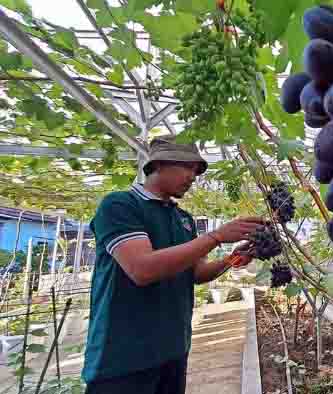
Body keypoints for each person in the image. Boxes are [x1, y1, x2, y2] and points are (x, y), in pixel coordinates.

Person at [82, 136, 263, 394]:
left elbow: (197, 273)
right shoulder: (120, 205)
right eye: (187, 167)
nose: (193, 176)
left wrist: (232, 258)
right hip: (122, 359)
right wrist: (216, 236)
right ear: (158, 165)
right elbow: (142, 270)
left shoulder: (183, 219)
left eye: (196, 171)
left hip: (173, 352)